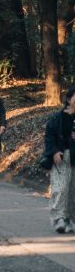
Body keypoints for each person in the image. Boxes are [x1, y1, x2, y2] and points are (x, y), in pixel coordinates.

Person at [41, 86, 75, 233]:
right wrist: (54, 152)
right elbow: (49, 137)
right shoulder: (56, 118)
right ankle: (58, 218)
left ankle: (70, 219)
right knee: (61, 188)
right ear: (68, 99)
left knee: (72, 190)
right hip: (61, 157)